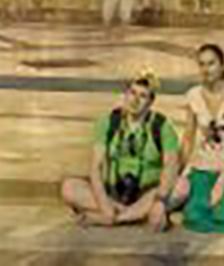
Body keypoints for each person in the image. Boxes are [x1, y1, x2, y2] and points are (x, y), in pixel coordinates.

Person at [60, 70, 181, 230]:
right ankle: (136, 215)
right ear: (125, 95)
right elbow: (96, 168)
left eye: (143, 96)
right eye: (132, 93)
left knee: (183, 185)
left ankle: (116, 219)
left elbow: (170, 167)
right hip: (112, 195)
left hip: (147, 194)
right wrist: (105, 206)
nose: (135, 100)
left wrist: (159, 200)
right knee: (68, 187)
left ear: (151, 102)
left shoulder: (162, 125)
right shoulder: (109, 121)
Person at [174, 41, 224, 233]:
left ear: (222, 65)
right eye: (201, 64)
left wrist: (222, 181)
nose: (206, 69)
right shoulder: (193, 95)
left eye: (211, 63)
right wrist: (177, 174)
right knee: (194, 218)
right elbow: (187, 139)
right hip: (203, 167)